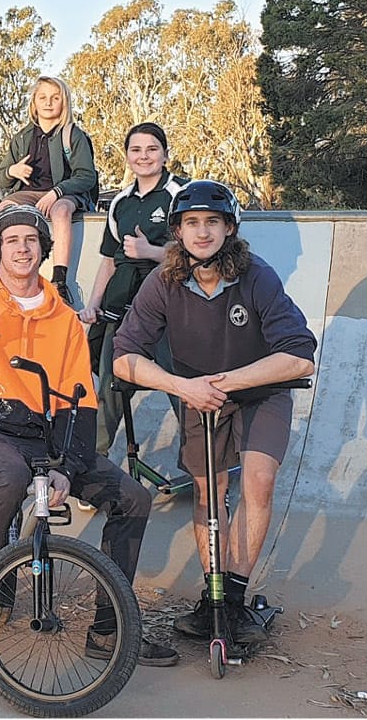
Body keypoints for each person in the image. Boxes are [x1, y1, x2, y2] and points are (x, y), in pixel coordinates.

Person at [0, 204, 178, 666]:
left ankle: (107, 631)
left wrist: (68, 469)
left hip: (47, 435)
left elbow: (79, 402)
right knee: (9, 475)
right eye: (12, 240)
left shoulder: (63, 316)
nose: (23, 248)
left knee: (134, 498)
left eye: (32, 240)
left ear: (45, 249)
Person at [112, 180, 316, 644]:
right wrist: (182, 386)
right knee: (209, 493)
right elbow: (125, 355)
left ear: (229, 228)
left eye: (212, 222)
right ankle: (214, 596)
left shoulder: (256, 276)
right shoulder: (162, 281)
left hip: (261, 391)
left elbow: (300, 354)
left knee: (259, 480)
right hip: (197, 395)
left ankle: (238, 597)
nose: (202, 232)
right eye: (191, 223)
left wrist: (222, 383)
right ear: (178, 232)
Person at [79, 122, 189, 453]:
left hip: (170, 306)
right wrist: (94, 305)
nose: (144, 156)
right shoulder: (120, 202)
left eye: (152, 149)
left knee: (182, 385)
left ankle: (207, 468)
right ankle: (94, 466)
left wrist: (152, 252)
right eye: (136, 150)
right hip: (122, 307)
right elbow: (109, 260)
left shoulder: (181, 194)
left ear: (165, 154)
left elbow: (200, 250)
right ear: (127, 156)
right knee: (110, 387)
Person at [0, 76, 99, 308]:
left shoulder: (73, 135)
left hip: (66, 192)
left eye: (55, 97)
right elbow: (2, 177)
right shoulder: (22, 137)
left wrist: (58, 192)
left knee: (61, 211)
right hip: (29, 193)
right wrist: (13, 170)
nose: (48, 102)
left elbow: (87, 176)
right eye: (42, 97)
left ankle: (59, 280)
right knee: (2, 210)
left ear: (64, 102)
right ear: (34, 103)